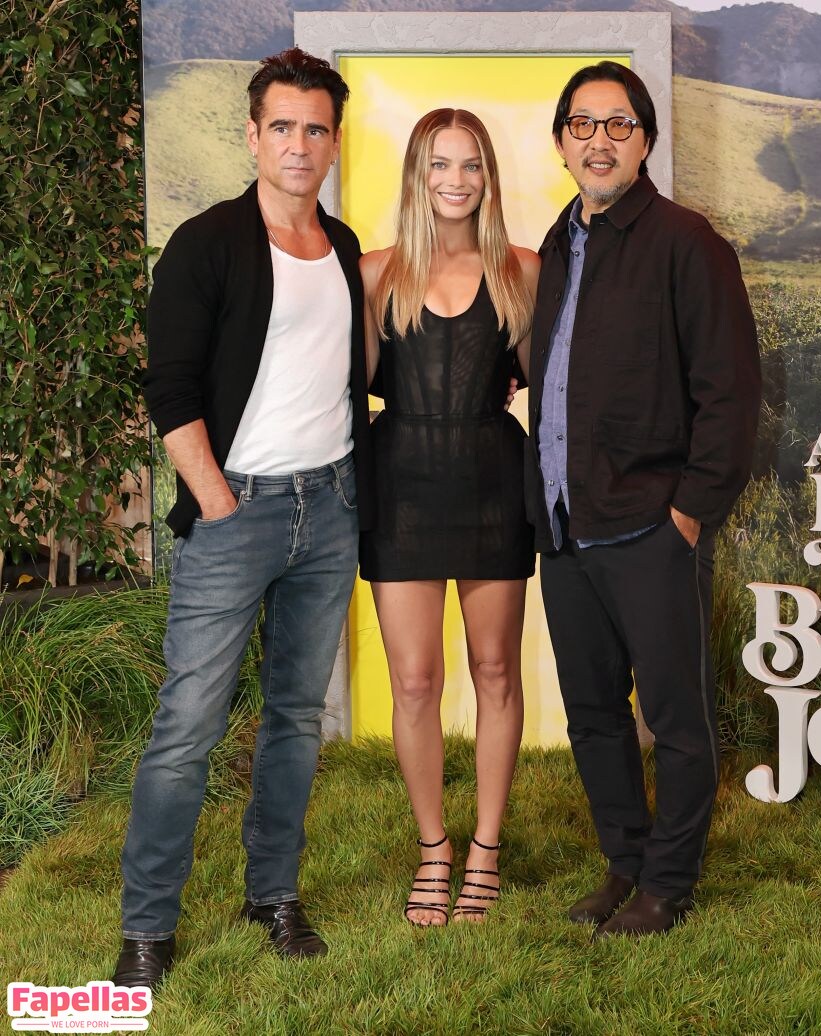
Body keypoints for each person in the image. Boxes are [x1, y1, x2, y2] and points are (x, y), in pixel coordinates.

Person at [115, 48, 373, 990]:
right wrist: (217, 501)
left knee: (297, 718)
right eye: (283, 127)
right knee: (189, 723)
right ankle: (147, 926)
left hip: (329, 508)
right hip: (237, 513)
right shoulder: (207, 241)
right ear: (254, 135)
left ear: (334, 142)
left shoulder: (342, 245)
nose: (300, 145)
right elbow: (169, 386)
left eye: (316, 129)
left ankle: (274, 896)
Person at [527, 62, 761, 939]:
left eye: (618, 125)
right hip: (565, 523)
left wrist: (690, 512)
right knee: (593, 716)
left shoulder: (688, 244)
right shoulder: (557, 244)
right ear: (561, 143)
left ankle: (668, 884)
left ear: (646, 141)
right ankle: (624, 863)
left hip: (651, 525)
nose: (600, 141)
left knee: (674, 718)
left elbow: (730, 392)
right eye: (582, 125)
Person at [358, 108, 539, 926]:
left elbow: (549, 382)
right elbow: (348, 387)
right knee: (414, 680)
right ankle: (434, 847)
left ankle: (486, 850)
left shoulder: (522, 271)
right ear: (417, 175)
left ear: (488, 177)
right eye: (440, 164)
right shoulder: (376, 273)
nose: (456, 180)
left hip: (493, 485)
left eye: (471, 165)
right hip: (399, 488)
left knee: (496, 671)